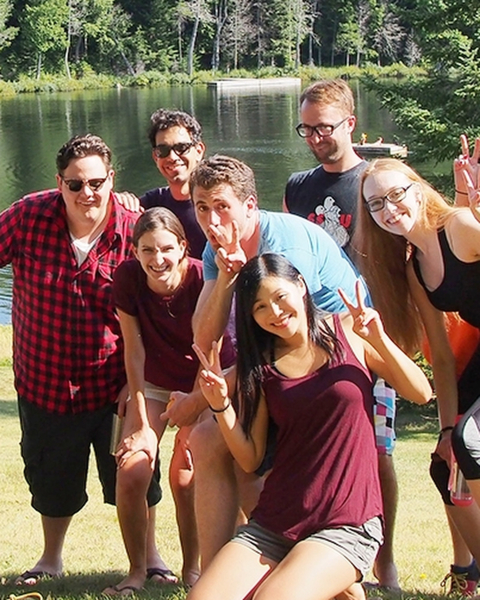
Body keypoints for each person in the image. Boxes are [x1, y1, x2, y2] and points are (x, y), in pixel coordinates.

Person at [161, 154, 366, 572]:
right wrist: (227, 277)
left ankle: (346, 569)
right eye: (202, 208)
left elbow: (290, 347)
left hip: (339, 369)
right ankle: (214, 575)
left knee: (224, 439)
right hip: (282, 370)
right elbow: (204, 339)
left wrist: (198, 401)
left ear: (250, 206)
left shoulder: (283, 249)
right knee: (208, 441)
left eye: (222, 206)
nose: (212, 219)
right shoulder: (216, 243)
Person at [187, 253, 431, 600]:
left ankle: (335, 580)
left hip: (348, 521)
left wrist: (379, 340)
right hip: (277, 521)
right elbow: (250, 459)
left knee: (273, 598)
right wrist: (220, 404)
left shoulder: (350, 331)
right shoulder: (261, 367)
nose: (274, 312)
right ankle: (337, 587)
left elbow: (421, 393)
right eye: (259, 307)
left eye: (279, 297)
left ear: (300, 286)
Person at [4, 134, 169, 587]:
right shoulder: (27, 216)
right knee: (51, 480)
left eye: (96, 182)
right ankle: (50, 560)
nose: (87, 193)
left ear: (111, 179)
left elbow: (164, 306)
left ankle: (151, 560)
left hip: (116, 386)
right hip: (45, 381)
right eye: (75, 185)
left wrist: (142, 383)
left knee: (136, 475)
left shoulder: (138, 227)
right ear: (59, 183)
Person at [284, 78, 399, 589]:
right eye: (305, 129)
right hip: (311, 342)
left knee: (378, 450)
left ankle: (385, 559)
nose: (314, 138)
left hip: (370, 337)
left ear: (350, 123)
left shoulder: (376, 183)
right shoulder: (298, 186)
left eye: (323, 128)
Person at [354, 157, 480, 595]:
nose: (389, 209)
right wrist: (446, 429)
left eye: (395, 195)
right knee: (447, 465)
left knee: (472, 443)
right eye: (375, 205)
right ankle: (473, 573)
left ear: (417, 188)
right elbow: (442, 359)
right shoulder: (415, 266)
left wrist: (477, 205)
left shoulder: (461, 227)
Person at [106, 207, 235, 593]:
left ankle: (192, 568)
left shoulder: (202, 276)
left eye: (165, 249)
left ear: (181, 247)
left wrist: (192, 418)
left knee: (185, 473)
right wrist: (143, 422)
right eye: (147, 250)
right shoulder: (128, 279)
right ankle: (136, 570)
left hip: (205, 380)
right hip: (155, 383)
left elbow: (208, 349)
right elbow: (134, 351)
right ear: (135, 251)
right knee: (132, 470)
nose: (157, 259)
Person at [141, 109, 206, 259]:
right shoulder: (150, 204)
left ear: (199, 151)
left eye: (181, 148)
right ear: (155, 157)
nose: (172, 157)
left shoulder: (218, 206)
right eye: (163, 150)